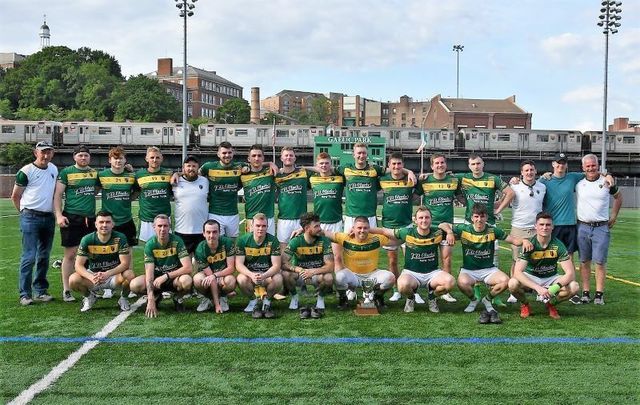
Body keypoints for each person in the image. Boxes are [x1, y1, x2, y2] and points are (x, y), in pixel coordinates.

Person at [439, 204, 532, 324]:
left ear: (486, 217)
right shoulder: (464, 229)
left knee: (505, 281)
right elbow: (442, 224)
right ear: (472, 218)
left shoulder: (493, 230)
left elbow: (513, 240)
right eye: (476, 216)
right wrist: (450, 232)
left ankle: (487, 299)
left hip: (488, 269)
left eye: (482, 216)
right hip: (469, 269)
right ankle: (474, 300)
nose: (479, 220)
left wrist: (524, 240)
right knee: (462, 283)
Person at [370, 206, 456, 314]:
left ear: (431, 219)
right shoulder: (407, 232)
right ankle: (411, 298)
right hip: (412, 273)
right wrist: (365, 229)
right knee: (402, 285)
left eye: (427, 217)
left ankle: (431, 297)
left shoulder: (437, 232)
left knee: (450, 282)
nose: (424, 220)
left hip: (432, 273)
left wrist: (449, 232)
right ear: (415, 220)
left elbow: (444, 224)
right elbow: (383, 230)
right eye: (421, 218)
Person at [508, 212, 580, 319]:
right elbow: (517, 272)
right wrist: (537, 288)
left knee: (574, 287)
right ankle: (525, 304)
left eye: (548, 225)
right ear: (535, 226)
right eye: (541, 225)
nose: (544, 227)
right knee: (512, 283)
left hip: (551, 277)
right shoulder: (529, 244)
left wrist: (554, 288)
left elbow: (570, 273)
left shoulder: (558, 245)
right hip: (531, 276)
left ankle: (551, 304)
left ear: (552, 227)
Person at [11, 141, 57, 306]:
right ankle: (25, 293)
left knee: (44, 256)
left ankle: (41, 291)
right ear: (35, 153)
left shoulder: (53, 168)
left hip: (48, 217)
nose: (45, 155)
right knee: (29, 256)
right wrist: (24, 213)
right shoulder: (26, 171)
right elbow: (15, 196)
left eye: (48, 152)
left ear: (52, 153)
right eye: (42, 152)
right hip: (30, 217)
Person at [574, 154, 622, 305]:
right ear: (583, 168)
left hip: (601, 227)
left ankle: (599, 294)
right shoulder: (578, 183)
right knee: (584, 261)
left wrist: (613, 216)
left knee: (600, 262)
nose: (591, 168)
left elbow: (619, 198)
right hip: (582, 226)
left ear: (598, 165)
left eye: (593, 165)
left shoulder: (607, 182)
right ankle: (586, 292)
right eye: (587, 166)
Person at [54, 145, 98, 302]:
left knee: (89, 255)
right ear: (74, 157)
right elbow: (58, 195)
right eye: (80, 155)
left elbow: (99, 186)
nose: (83, 158)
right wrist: (59, 215)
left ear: (89, 157)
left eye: (86, 155)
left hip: (90, 218)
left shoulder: (94, 173)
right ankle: (66, 289)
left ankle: (88, 287)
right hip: (72, 217)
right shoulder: (66, 172)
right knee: (71, 255)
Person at [324, 216, 396, 310]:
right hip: (352, 275)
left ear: (369, 229)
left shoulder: (376, 238)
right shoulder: (345, 237)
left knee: (390, 277)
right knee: (339, 277)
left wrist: (379, 230)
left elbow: (397, 239)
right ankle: (343, 299)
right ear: (353, 228)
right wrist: (304, 228)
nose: (362, 230)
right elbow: (324, 232)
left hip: (371, 275)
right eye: (359, 228)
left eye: (365, 228)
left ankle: (378, 297)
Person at [416, 153, 460, 303]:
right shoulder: (425, 180)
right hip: (427, 227)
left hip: (446, 227)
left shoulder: (454, 181)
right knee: (423, 259)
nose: (440, 165)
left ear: (446, 164)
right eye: (437, 163)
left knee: (446, 259)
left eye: (442, 163)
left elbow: (462, 194)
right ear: (432, 166)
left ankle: (444, 290)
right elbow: (414, 193)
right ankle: (417, 289)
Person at [69, 211, 134, 312]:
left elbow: (125, 264)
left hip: (113, 275)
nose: (104, 225)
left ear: (113, 224)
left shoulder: (120, 237)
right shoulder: (87, 239)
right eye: (101, 222)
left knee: (129, 274)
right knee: (73, 279)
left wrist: (108, 274)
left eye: (108, 222)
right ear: (95, 224)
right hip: (94, 277)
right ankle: (90, 297)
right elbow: (78, 265)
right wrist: (91, 277)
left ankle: (124, 298)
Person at [129, 214, 193, 317]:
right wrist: (150, 298)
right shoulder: (150, 244)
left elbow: (188, 267)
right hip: (156, 280)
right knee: (134, 285)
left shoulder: (177, 241)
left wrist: (166, 276)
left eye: (165, 226)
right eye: (159, 226)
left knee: (187, 280)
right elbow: (149, 274)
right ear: (154, 227)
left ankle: (178, 298)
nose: (162, 229)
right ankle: (156, 296)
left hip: (173, 279)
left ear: (170, 227)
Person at [97, 146, 137, 299]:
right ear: (110, 160)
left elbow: (136, 191)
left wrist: (127, 199)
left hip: (126, 220)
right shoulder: (102, 175)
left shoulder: (131, 176)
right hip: (109, 221)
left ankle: (130, 285)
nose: (118, 161)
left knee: (128, 254)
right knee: (108, 254)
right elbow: (95, 189)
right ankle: (108, 285)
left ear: (125, 160)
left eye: (121, 158)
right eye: (115, 158)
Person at [505, 160, 546, 302]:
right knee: (517, 260)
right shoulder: (514, 187)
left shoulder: (542, 186)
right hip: (519, 228)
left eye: (531, 170)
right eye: (526, 170)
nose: (529, 173)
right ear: (521, 173)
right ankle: (513, 291)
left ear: (535, 171)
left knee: (538, 261)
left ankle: (538, 290)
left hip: (537, 229)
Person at [378, 152, 416, 303]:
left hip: (407, 225)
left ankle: (413, 290)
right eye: (393, 164)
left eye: (399, 164)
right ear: (389, 165)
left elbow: (418, 191)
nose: (396, 166)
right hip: (389, 226)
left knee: (411, 261)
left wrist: (410, 172)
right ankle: (396, 289)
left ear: (403, 165)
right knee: (392, 262)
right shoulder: (382, 179)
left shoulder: (410, 179)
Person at [282, 213, 334, 319]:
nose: (320, 229)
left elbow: (330, 266)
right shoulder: (296, 241)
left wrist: (313, 271)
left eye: (319, 225)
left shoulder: (324, 241)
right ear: (306, 228)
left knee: (329, 277)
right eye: (316, 226)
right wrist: (297, 269)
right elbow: (283, 262)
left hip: (317, 274)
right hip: (300, 274)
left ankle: (320, 298)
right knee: (285, 274)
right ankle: (294, 297)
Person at [235, 213, 283, 319]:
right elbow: (238, 264)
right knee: (241, 278)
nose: (260, 228)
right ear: (251, 226)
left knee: (278, 278)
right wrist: (251, 275)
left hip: (267, 274)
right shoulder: (243, 240)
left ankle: (267, 302)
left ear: (267, 227)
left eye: (263, 226)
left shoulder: (273, 240)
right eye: (257, 225)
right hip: (251, 274)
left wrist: (264, 275)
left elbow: (276, 266)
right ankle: (253, 301)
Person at [308, 152, 345, 270]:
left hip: (336, 221)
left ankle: (340, 286)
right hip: (319, 222)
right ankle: (322, 284)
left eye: (326, 163)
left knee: (337, 256)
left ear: (331, 164)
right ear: (317, 165)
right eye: (321, 163)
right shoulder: (312, 178)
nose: (324, 166)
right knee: (318, 256)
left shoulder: (340, 178)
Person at [199, 142, 244, 238]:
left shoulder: (239, 166)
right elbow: (193, 174)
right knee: (217, 243)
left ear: (233, 153)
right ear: (218, 154)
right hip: (215, 213)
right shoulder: (208, 167)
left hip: (233, 214)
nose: (227, 155)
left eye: (229, 152)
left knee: (232, 245)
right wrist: (176, 174)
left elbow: (256, 164)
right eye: (224, 153)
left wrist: (269, 163)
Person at [193, 220, 236, 313]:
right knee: (197, 279)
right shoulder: (200, 249)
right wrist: (217, 305)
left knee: (231, 281)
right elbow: (210, 278)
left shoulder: (227, 243)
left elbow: (231, 268)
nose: (211, 235)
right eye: (208, 232)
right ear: (203, 233)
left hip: (222, 275)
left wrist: (216, 275)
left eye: (214, 232)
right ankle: (208, 298)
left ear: (219, 233)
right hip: (207, 276)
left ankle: (223, 297)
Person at [275, 147, 310, 252]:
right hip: (284, 219)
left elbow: (321, 169)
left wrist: (306, 167)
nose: (288, 157)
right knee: (283, 249)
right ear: (281, 158)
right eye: (286, 155)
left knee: (302, 249)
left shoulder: (304, 173)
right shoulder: (277, 175)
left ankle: (300, 269)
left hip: (301, 219)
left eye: (291, 155)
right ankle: (283, 268)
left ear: (295, 158)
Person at [135, 147, 173, 243]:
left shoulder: (169, 173)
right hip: (147, 219)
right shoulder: (139, 175)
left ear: (162, 158)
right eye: (152, 157)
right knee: (147, 248)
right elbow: (135, 191)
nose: (154, 160)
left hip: (164, 218)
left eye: (157, 157)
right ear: (146, 158)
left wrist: (177, 173)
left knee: (166, 246)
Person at [172, 155, 209, 255]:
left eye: (194, 166)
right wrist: (176, 174)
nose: (191, 168)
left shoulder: (205, 181)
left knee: (200, 264)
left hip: (201, 231)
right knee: (184, 266)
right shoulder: (175, 181)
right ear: (183, 167)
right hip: (182, 230)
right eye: (188, 166)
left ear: (198, 167)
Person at [241, 145, 277, 235]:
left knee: (270, 246)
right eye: (253, 156)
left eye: (259, 156)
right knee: (250, 247)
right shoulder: (242, 175)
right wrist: (269, 163)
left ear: (263, 158)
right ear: (248, 159)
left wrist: (270, 163)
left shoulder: (271, 172)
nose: (256, 158)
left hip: (269, 218)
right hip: (251, 218)